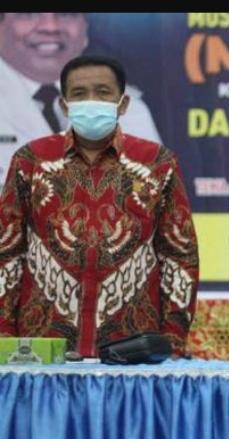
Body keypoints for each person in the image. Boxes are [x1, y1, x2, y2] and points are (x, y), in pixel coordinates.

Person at [0, 55, 199, 357]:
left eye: (103, 92)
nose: (91, 101)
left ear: (123, 104)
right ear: (64, 105)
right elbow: (7, 252)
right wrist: (4, 334)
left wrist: (171, 340)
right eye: (79, 94)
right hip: (43, 346)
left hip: (133, 347)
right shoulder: (32, 160)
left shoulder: (157, 163)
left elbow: (179, 255)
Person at [0, 12, 162, 190]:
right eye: (29, 14)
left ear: (85, 29)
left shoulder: (129, 109)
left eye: (66, 14)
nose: (50, 27)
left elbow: (153, 196)